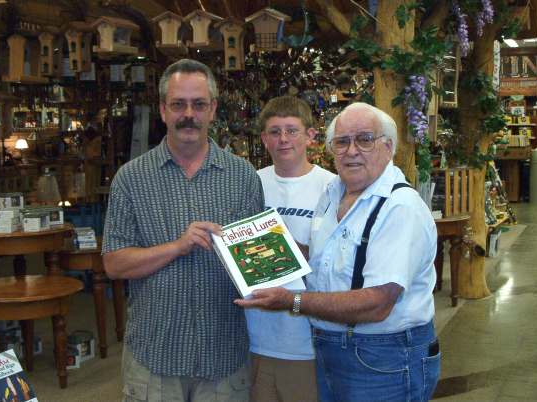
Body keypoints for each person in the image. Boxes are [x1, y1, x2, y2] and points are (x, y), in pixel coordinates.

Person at [236, 102, 440, 401]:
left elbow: (377, 303)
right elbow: (323, 258)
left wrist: (291, 301)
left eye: (365, 139)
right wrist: (246, 242)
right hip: (333, 349)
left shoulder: (400, 207)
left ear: (388, 146)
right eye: (342, 142)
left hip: (384, 360)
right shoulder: (334, 194)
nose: (352, 150)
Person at [102, 58, 264, 402]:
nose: (188, 114)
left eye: (198, 104)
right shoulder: (131, 179)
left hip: (224, 359)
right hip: (154, 361)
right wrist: (177, 246)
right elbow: (114, 264)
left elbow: (257, 265)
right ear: (162, 110)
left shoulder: (243, 176)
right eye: (178, 104)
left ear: (213, 109)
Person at [247, 96, 335, 402]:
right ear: (263, 139)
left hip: (307, 337)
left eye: (291, 130)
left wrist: (284, 247)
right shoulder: (250, 183)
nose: (283, 139)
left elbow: (337, 263)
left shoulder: (333, 187)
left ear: (311, 136)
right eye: (274, 131)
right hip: (254, 333)